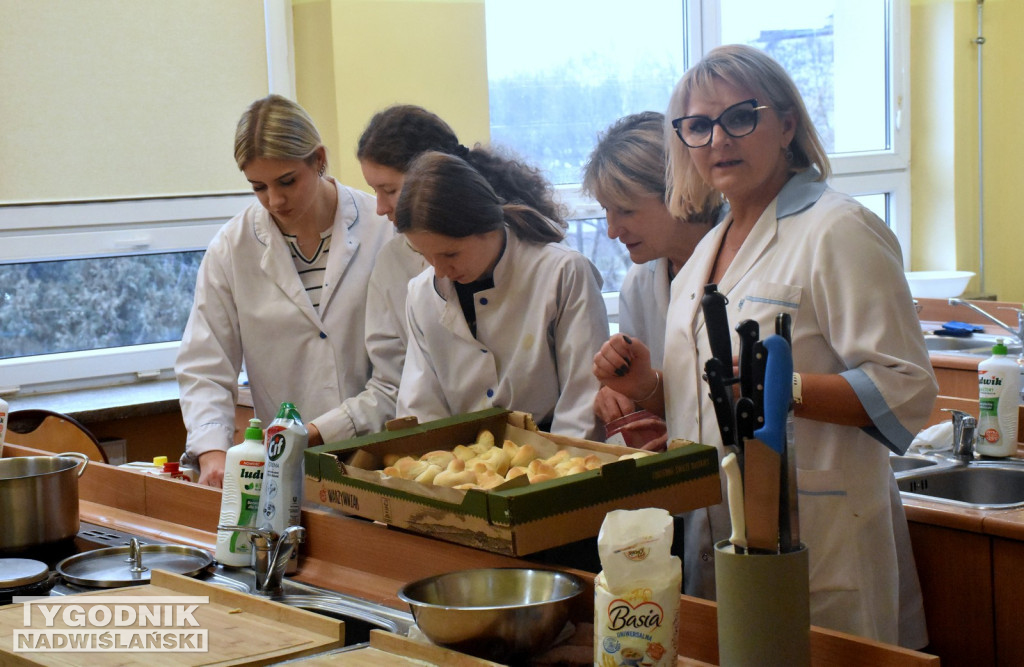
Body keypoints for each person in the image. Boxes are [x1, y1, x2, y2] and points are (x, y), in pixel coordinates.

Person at [592, 45, 935, 648]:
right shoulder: (704, 253)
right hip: (717, 532)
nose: (719, 139)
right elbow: (713, 400)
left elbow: (905, 388)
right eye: (699, 126)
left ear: (786, 126)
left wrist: (784, 389)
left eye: (740, 117)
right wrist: (648, 387)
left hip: (820, 532)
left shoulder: (838, 230)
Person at [176, 94, 394, 487]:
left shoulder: (383, 231)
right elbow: (205, 365)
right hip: (286, 471)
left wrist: (316, 432)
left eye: (287, 181)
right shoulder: (232, 247)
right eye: (258, 186)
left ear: (319, 159)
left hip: (381, 456)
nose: (274, 200)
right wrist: (212, 453)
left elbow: (400, 370)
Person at [354, 105, 567, 429]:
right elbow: (410, 398)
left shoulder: (555, 269)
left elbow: (577, 402)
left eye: (390, 190)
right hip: (461, 456)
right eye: (374, 192)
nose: (381, 208)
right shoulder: (410, 280)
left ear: (434, 176)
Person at [396, 151, 608, 439]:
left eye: (450, 253)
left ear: (487, 225)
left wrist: (556, 475)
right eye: (425, 255)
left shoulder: (562, 272)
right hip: (465, 463)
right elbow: (421, 412)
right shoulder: (422, 294)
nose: (441, 271)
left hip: (556, 455)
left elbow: (582, 404)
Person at [582, 111, 718, 450]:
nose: (613, 231)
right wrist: (621, 394)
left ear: (678, 190)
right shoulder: (640, 284)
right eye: (607, 212)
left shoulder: (748, 259)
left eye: (626, 211)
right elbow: (659, 395)